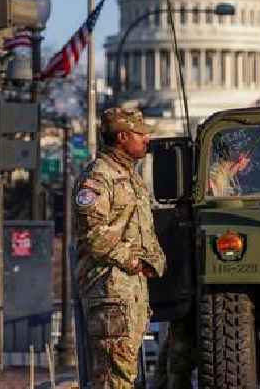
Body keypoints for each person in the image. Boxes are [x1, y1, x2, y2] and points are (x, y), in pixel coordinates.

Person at [74, 107, 166, 388]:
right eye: (141, 133)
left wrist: (155, 260)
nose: (147, 139)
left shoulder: (132, 178)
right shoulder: (99, 178)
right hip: (110, 292)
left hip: (130, 292)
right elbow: (94, 234)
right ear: (123, 136)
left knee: (126, 375)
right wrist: (134, 261)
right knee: (114, 377)